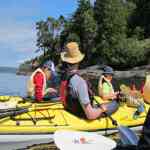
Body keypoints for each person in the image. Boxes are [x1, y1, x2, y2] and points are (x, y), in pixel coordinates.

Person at [60, 41, 108, 120]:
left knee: (101, 104)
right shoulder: (80, 82)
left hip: (71, 111)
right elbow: (91, 115)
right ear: (78, 61)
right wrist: (101, 109)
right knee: (114, 104)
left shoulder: (64, 78)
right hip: (82, 115)